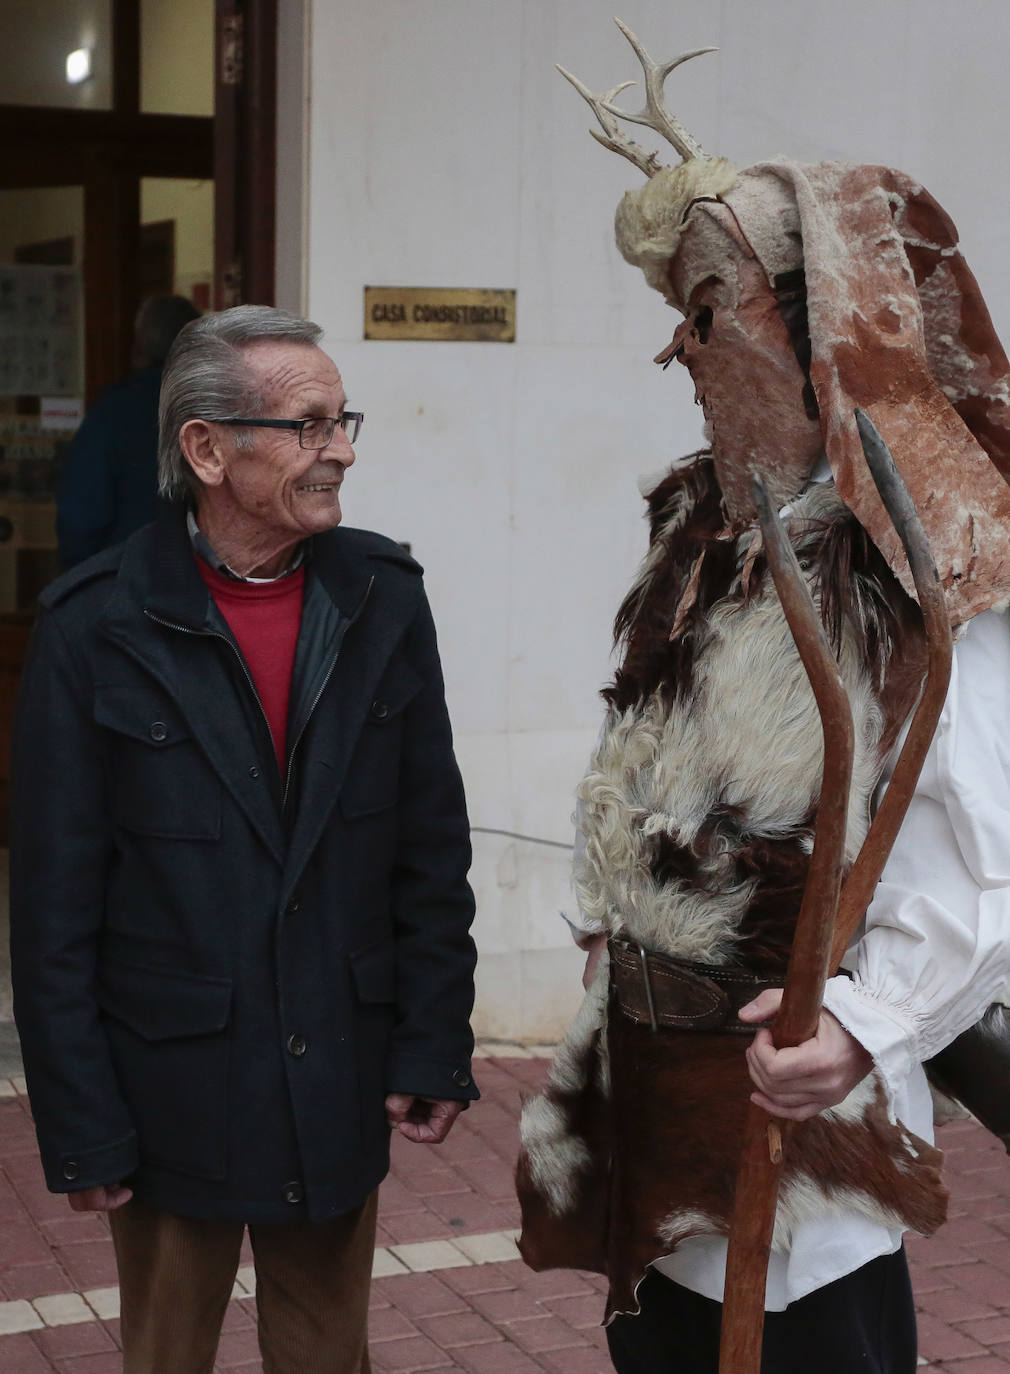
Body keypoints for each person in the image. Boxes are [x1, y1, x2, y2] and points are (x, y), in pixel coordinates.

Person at [517, 21, 1010, 1374]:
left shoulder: (935, 555)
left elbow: (989, 855)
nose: (677, 350)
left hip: (803, 1159)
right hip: (658, 1119)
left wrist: (867, 1026)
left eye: (704, 313)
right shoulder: (707, 528)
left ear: (821, 335)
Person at [11, 304, 479, 1374]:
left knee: (326, 1356)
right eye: (309, 426)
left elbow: (429, 846)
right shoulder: (95, 626)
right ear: (207, 449)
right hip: (172, 1080)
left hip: (337, 1069)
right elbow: (52, 906)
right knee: (167, 1356)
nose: (342, 450)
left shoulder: (382, 600)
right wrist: (79, 1118)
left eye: (342, 420)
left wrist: (431, 1041)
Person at [56, 294, 200, 568]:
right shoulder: (218, 408)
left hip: (123, 579)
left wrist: (81, 584)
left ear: (138, 348)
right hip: (205, 579)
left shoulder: (114, 411)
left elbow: (81, 516)